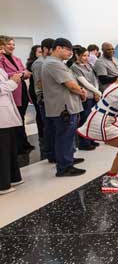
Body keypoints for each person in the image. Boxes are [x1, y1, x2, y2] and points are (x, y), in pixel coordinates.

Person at [42, 38, 87, 177]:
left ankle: (68, 158)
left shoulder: (58, 63)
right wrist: (82, 92)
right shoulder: (53, 64)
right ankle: (64, 167)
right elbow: (70, 84)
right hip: (63, 108)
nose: (71, 53)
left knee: (67, 136)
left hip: (67, 106)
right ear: (58, 48)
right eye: (68, 50)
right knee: (64, 137)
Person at [0, 36, 33, 154]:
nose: (12, 46)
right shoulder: (1, 59)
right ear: (1, 46)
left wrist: (21, 74)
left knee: (21, 118)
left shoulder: (17, 58)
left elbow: (24, 71)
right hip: (11, 92)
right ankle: (18, 146)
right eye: (9, 44)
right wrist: (21, 74)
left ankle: (23, 143)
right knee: (15, 119)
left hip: (22, 90)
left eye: (13, 44)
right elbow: (6, 75)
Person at [0, 38, 23, 195]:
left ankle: (14, 176)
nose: (3, 51)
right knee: (2, 149)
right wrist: (14, 81)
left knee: (10, 147)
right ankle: (3, 184)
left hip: (6, 111)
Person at [70, 46, 102, 151]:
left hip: (93, 96)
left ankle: (91, 139)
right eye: (84, 55)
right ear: (77, 55)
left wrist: (97, 92)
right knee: (84, 119)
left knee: (92, 119)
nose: (86, 58)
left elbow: (95, 79)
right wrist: (97, 92)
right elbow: (84, 83)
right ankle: (84, 142)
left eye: (88, 55)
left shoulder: (89, 65)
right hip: (85, 97)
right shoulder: (75, 67)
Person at [32, 38, 55, 160]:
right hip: (45, 99)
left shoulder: (50, 61)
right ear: (46, 49)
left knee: (54, 127)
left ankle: (55, 152)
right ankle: (50, 154)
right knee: (49, 127)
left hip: (52, 98)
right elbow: (40, 83)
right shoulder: (39, 63)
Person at [26, 45, 44, 156]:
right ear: (34, 53)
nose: (41, 54)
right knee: (39, 113)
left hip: (36, 89)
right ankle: (41, 135)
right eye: (39, 52)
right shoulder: (34, 64)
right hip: (35, 90)